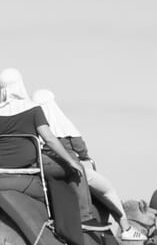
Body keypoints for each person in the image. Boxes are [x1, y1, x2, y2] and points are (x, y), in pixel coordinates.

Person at [0, 69, 99, 245]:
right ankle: (74, 237)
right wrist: (71, 162)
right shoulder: (33, 109)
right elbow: (49, 138)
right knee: (60, 187)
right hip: (28, 180)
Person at [32, 88, 130, 231]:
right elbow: (80, 148)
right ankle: (124, 226)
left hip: (40, 166)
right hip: (67, 166)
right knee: (108, 189)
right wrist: (84, 156)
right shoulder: (63, 123)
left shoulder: (31, 122)